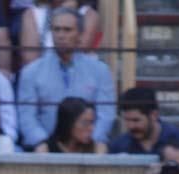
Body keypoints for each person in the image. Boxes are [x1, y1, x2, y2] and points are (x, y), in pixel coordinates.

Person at [16, 7, 115, 149]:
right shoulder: (31, 72)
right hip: (45, 149)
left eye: (67, 30)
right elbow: (27, 116)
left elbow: (106, 114)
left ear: (80, 34)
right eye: (56, 30)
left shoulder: (100, 71)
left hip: (88, 148)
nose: (61, 35)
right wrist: (41, 142)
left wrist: (93, 141)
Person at [108, 86, 179, 155]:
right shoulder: (118, 147)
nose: (131, 126)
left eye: (136, 120)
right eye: (127, 120)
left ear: (154, 115)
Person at [18, 0, 102, 66]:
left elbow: (77, 53)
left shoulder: (89, 15)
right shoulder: (31, 14)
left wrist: (68, 12)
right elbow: (30, 59)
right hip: (42, 80)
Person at [35, 97, 106, 153]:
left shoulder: (97, 149)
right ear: (68, 123)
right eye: (85, 123)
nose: (92, 128)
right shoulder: (45, 150)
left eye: (92, 122)